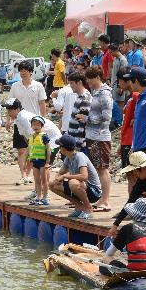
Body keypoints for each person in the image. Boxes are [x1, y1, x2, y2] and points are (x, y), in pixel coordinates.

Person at [48, 134, 102, 219]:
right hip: (81, 188)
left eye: (59, 146)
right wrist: (57, 179)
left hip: (94, 192)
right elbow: (60, 173)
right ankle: (79, 207)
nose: (59, 148)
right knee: (52, 184)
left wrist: (65, 176)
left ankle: (88, 208)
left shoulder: (80, 156)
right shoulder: (68, 158)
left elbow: (84, 176)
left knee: (73, 182)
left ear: (63, 148)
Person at [84, 66, 113, 211]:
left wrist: (87, 118)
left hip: (101, 136)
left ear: (97, 77)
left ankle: (106, 200)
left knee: (103, 168)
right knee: (98, 167)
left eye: (90, 78)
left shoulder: (105, 93)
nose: (88, 81)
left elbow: (107, 117)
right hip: (93, 135)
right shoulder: (95, 92)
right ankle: (102, 198)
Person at [27, 115, 51, 206]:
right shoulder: (31, 137)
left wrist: (47, 162)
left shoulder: (44, 136)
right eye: (34, 124)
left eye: (38, 124)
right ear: (31, 126)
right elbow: (29, 148)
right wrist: (29, 158)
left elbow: (48, 149)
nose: (36, 126)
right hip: (35, 162)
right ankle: (38, 197)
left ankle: (45, 198)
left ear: (42, 126)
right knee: (37, 180)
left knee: (44, 181)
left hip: (43, 162)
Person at [66, 73, 91, 151]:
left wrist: (78, 144)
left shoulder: (84, 98)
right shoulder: (79, 97)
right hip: (74, 139)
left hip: (79, 144)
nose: (70, 86)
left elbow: (82, 124)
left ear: (79, 82)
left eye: (72, 83)